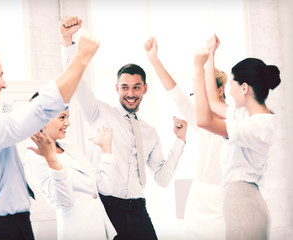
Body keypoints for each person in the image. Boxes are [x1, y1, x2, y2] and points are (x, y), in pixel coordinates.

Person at [0, 31, 99, 240]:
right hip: (4, 232)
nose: (5, 84)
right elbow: (41, 109)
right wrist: (80, 59)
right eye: (0, 75)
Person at [60, 16, 187, 240]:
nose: (130, 93)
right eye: (125, 87)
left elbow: (163, 179)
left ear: (145, 89)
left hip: (138, 210)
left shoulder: (150, 132)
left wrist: (180, 140)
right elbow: (74, 81)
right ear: (117, 88)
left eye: (136, 87)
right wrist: (67, 39)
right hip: (106, 209)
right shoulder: (98, 112)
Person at [193, 34, 281, 240]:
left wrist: (198, 70)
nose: (230, 92)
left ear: (244, 87)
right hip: (241, 201)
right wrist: (211, 55)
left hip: (243, 203)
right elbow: (213, 102)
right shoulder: (245, 115)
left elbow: (204, 120)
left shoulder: (259, 126)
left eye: (232, 85)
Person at [145, 37, 227, 239]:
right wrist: (154, 59)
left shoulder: (235, 121)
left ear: (220, 90)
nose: (197, 97)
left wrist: (211, 56)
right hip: (198, 198)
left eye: (202, 90)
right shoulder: (201, 118)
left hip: (223, 201)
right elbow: (177, 96)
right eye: (195, 91)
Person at [24, 94, 117, 240]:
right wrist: (52, 160)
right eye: (62, 117)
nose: (68, 123)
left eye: (68, 117)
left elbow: (105, 187)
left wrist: (106, 149)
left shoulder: (72, 148)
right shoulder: (35, 158)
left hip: (101, 230)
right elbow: (62, 200)